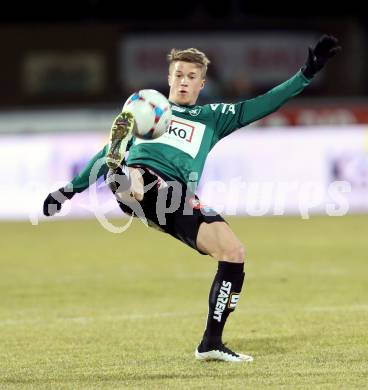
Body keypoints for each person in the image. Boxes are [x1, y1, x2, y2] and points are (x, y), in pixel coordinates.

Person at [43, 35, 341, 362]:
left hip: (179, 201)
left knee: (233, 253)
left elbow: (264, 103)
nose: (184, 81)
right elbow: (100, 154)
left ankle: (211, 343)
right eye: (179, 75)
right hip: (144, 182)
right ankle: (122, 171)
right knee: (139, 178)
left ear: (201, 83)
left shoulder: (213, 117)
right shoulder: (149, 110)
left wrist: (306, 73)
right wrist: (69, 190)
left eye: (191, 77)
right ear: (169, 78)